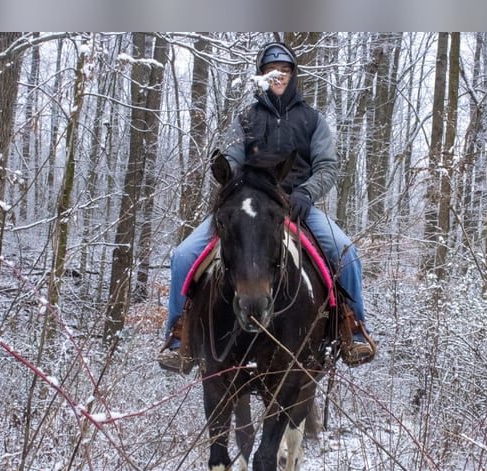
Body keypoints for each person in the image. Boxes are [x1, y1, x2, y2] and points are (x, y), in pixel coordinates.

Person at [158, 41, 375, 372]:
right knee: (184, 255)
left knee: (346, 252)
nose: (279, 76)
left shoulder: (311, 119)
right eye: (272, 71)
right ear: (262, 76)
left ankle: (353, 329)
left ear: (292, 75)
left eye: (285, 71)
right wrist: (227, 171)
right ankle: (179, 336)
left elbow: (328, 166)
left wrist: (306, 192)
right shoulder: (246, 117)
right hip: (248, 205)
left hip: (297, 204)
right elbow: (232, 154)